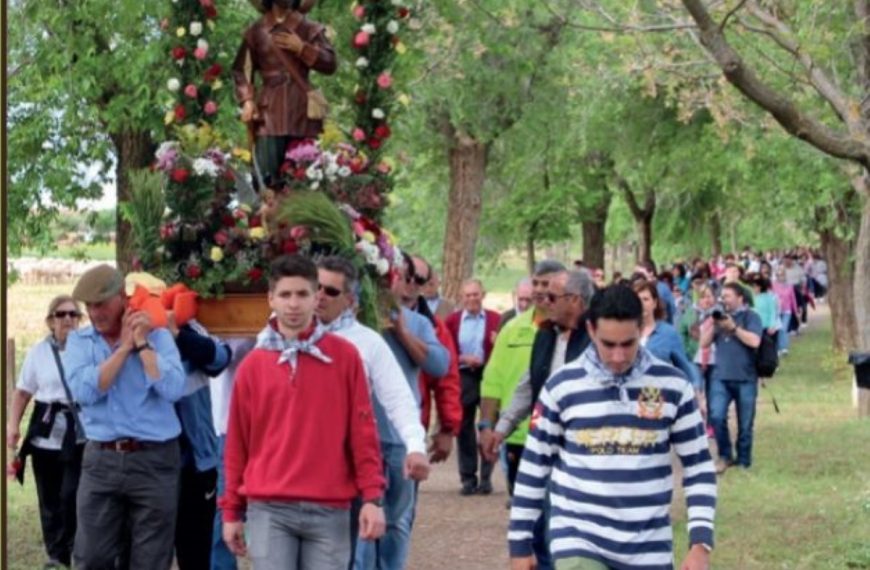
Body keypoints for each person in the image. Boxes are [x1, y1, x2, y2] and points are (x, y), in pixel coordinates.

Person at [509, 284, 717, 570]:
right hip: (578, 540)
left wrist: (700, 543)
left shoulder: (673, 387)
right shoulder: (561, 387)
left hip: (649, 548)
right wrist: (519, 543)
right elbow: (534, 466)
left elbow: (698, 466)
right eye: (608, 344)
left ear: (642, 328)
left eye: (627, 344)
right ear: (592, 330)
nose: (618, 356)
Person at [220, 255, 386, 570]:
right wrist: (231, 511)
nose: (293, 304)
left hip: (330, 506)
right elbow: (237, 444)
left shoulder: (345, 357)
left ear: (315, 298)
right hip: (269, 507)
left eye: (302, 294)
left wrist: (372, 498)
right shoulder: (253, 366)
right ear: (271, 299)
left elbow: (363, 433)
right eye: (285, 295)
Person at [63, 264, 186, 569]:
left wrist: (142, 344)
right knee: (92, 557)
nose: (95, 312)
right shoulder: (80, 342)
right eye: (89, 306)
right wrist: (123, 350)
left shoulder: (157, 336)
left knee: (151, 559)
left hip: (155, 459)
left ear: (122, 297)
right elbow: (85, 393)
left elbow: (173, 389)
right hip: (101, 459)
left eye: (101, 304)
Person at [353, 253, 450, 570]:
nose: (409, 286)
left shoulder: (420, 322)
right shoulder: (357, 320)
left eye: (416, 280)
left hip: (398, 439)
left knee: (396, 521)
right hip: (360, 437)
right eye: (403, 277)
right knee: (362, 521)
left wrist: (401, 331)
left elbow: (440, 365)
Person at [7, 295, 86, 569]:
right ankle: (56, 557)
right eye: (60, 314)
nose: (67, 320)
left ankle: (75, 549)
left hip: (79, 434)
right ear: (51, 321)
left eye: (73, 315)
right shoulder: (39, 352)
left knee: (71, 494)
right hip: (46, 431)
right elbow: (22, 392)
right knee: (49, 498)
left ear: (80, 319)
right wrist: (12, 426)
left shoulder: (89, 349)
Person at [232, 0, 337, 187]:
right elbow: (241, 69)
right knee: (266, 181)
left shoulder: (310, 28)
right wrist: (247, 100)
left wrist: (302, 48)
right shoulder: (257, 31)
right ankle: (267, 215)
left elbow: (330, 63)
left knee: (304, 180)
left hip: (302, 113)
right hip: (269, 114)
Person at [168, 316, 233, 570]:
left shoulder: (187, 326)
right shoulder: (124, 330)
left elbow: (220, 358)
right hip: (149, 461)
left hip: (196, 460)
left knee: (195, 550)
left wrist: (177, 334)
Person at [444, 279, 501, 495]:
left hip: (489, 374)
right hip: (464, 375)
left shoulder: (495, 319)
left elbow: (502, 348)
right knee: (464, 427)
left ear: (483, 295)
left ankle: (486, 477)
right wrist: (462, 357)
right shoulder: (452, 321)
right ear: (461, 297)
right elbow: (445, 349)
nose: (472, 299)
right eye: (467, 295)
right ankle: (468, 478)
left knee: (489, 424)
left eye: (475, 294)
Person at [701, 282, 763, 474]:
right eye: (722, 297)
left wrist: (734, 328)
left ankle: (744, 460)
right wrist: (714, 323)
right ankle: (725, 455)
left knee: (745, 423)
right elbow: (703, 343)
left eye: (727, 296)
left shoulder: (751, 317)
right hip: (721, 376)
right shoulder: (718, 318)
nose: (723, 300)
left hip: (746, 377)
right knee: (717, 416)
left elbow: (755, 341)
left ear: (740, 298)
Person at [633, 280, 704, 397]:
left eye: (645, 299)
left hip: (659, 397)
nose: (641, 304)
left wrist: (696, 393)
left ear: (654, 303)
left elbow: (684, 367)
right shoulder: (625, 333)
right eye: (637, 300)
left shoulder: (668, 333)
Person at [771, 266, 798, 356]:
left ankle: (784, 348)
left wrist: (795, 310)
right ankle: (778, 348)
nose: (781, 276)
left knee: (784, 329)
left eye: (782, 274)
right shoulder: (773, 285)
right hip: (776, 310)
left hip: (787, 310)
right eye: (779, 274)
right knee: (778, 329)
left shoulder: (790, 286)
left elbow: (793, 298)